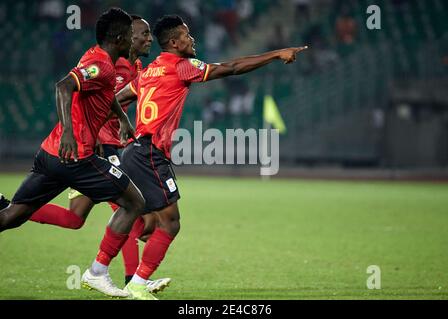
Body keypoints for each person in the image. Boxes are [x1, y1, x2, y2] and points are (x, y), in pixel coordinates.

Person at [81, 14, 308, 300]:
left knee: (140, 218)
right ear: (175, 43)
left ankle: (102, 270)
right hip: (150, 154)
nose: (193, 40)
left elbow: (116, 98)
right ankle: (135, 282)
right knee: (170, 223)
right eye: (188, 36)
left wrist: (90, 127)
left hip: (134, 152)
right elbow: (232, 67)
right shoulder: (181, 67)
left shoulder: (148, 72)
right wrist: (276, 54)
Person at [0, 8, 144, 298]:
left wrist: (124, 120)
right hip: (76, 156)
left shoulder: (103, 61)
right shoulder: (101, 65)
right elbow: (63, 86)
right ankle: (98, 273)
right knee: (134, 202)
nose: (134, 40)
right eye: (131, 35)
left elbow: (105, 95)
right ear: (119, 38)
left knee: (11, 216)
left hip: (49, 155)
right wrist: (68, 130)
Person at [26, 14, 171, 294]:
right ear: (126, 38)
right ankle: (132, 280)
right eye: (142, 33)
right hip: (99, 147)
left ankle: (11, 208)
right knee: (128, 208)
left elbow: (113, 100)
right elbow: (84, 94)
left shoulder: (137, 66)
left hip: (101, 145)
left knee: (75, 218)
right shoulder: (109, 63)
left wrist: (129, 124)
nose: (147, 38)